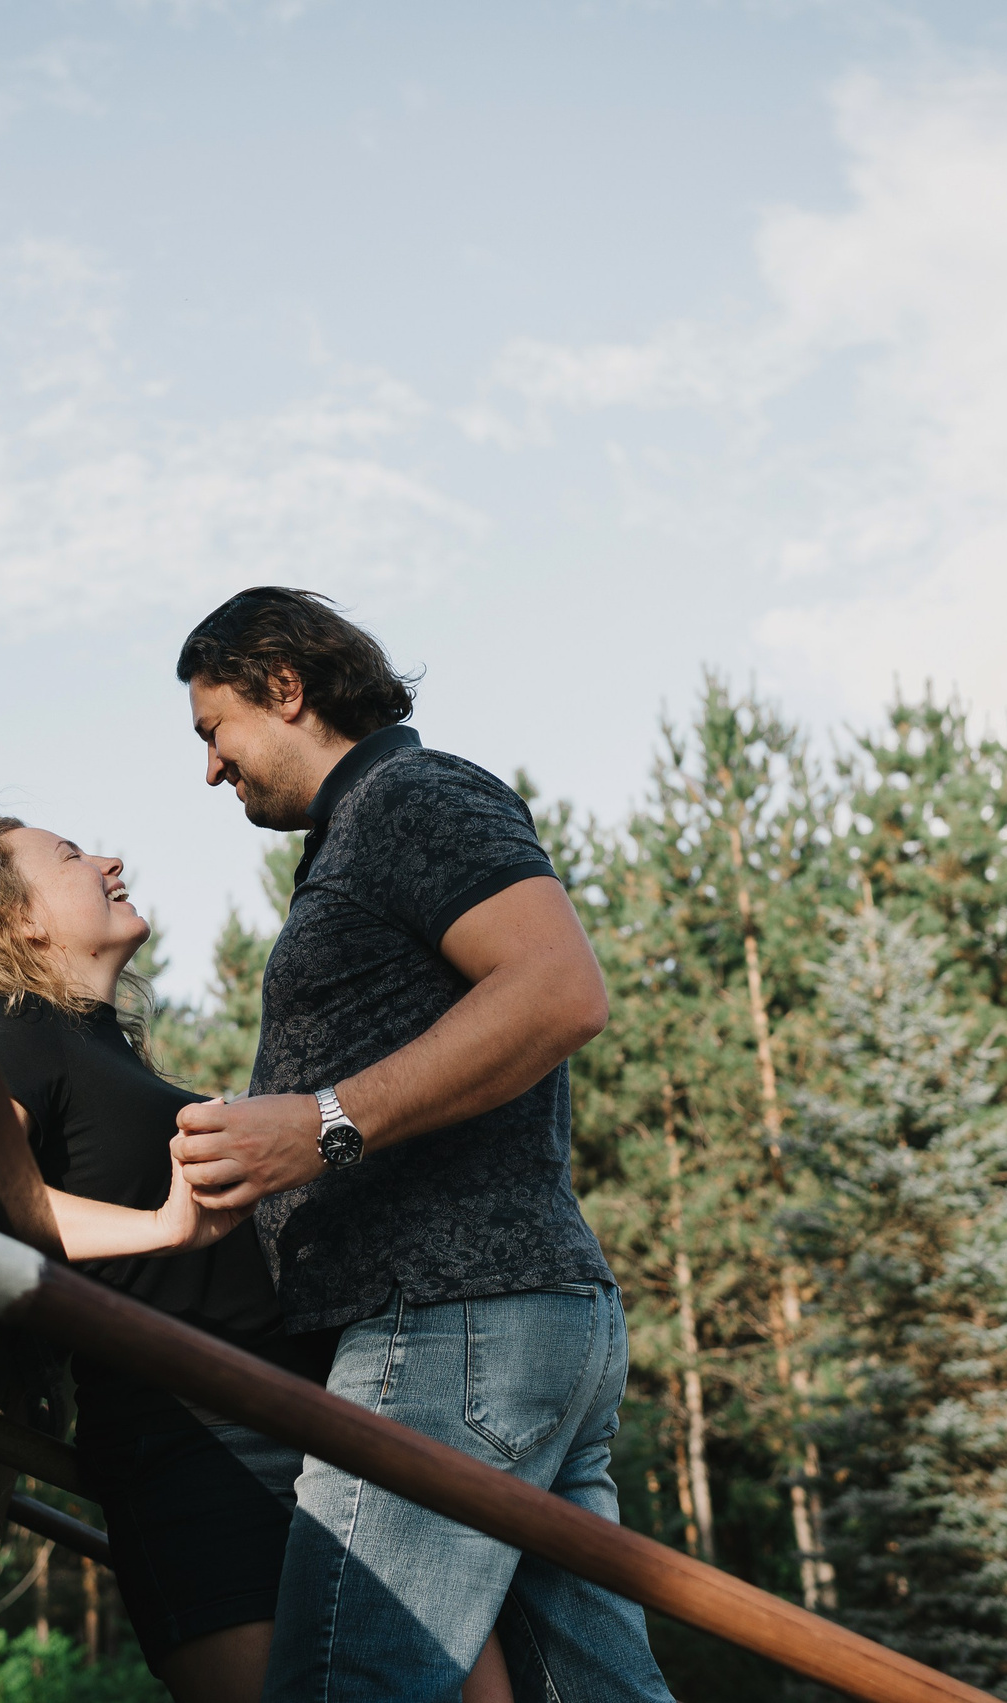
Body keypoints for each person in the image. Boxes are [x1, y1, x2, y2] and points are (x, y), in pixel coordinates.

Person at [168, 589, 675, 1703]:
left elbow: (559, 988)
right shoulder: (367, 825)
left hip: (452, 1327)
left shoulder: (409, 795)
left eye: (214, 730)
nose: (210, 768)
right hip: (507, 1321)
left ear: (284, 686)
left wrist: (322, 1122)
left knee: (342, 1686)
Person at [0, 812, 511, 1703]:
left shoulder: (101, 1048)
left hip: (326, 1426)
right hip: (196, 1453)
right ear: (16, 918)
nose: (112, 857)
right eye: (72, 856)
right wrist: (164, 1225)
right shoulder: (14, 1030)